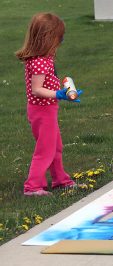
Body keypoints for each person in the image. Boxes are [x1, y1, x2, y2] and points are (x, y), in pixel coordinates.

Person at [15, 13, 83, 196]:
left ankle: (60, 179)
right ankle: (32, 186)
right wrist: (59, 94)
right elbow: (37, 89)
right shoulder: (39, 63)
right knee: (45, 149)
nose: (60, 42)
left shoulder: (44, 59)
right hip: (41, 111)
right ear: (47, 38)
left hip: (47, 109)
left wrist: (63, 89)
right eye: (58, 38)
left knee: (55, 146)